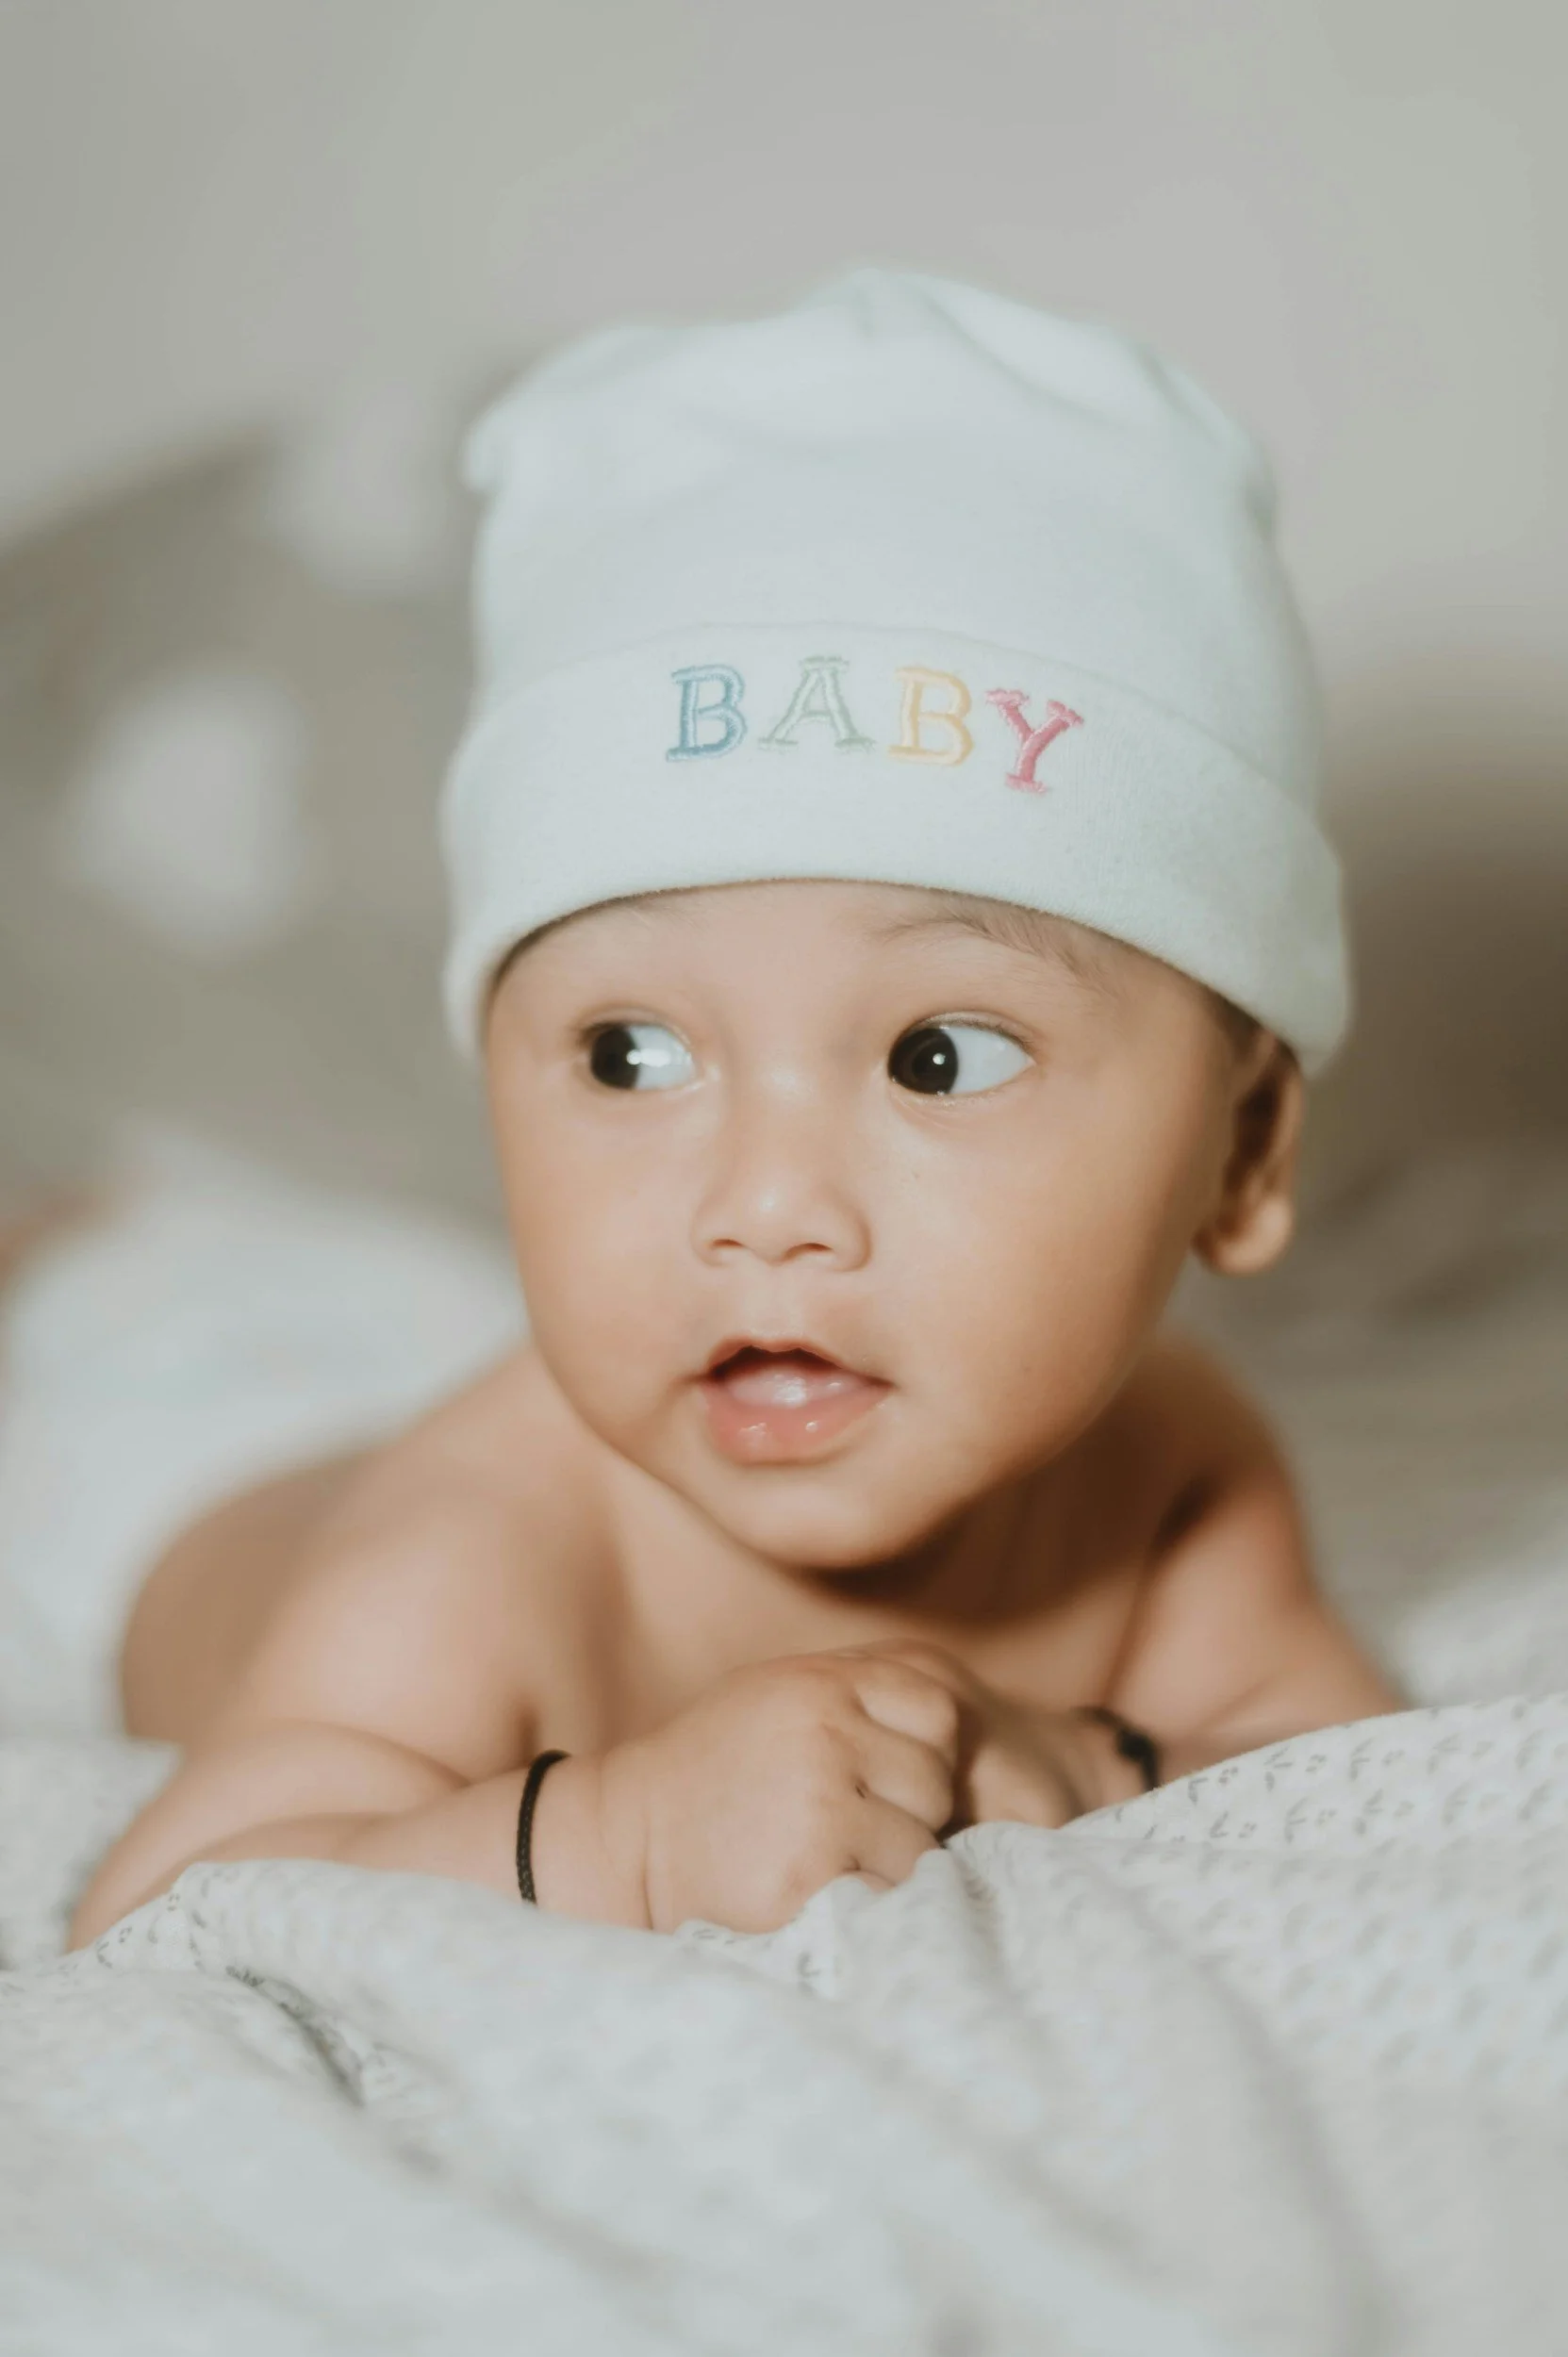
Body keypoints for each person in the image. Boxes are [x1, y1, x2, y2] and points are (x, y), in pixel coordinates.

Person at [66, 269, 1398, 1949]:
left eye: (939, 1056)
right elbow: (162, 1897)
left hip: (377, 1352)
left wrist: (1069, 1757)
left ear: (1246, 1151)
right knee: (113, 1309)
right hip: (179, 1458)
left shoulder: (1180, 1479)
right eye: (631, 1055)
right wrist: (616, 1839)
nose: (765, 1204)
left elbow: (1329, 1768)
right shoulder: (485, 1539)